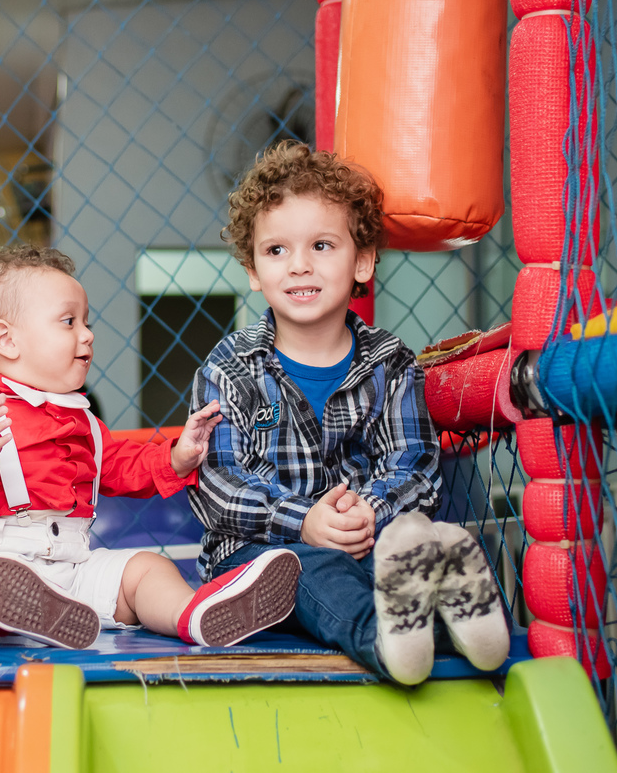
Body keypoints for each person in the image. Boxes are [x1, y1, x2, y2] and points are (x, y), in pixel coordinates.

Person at [187, 140, 510, 685]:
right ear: (251, 270)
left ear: (361, 261)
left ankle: (455, 611)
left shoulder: (390, 363)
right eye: (276, 251)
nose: (300, 266)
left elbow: (413, 466)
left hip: (364, 539)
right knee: (313, 569)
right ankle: (386, 641)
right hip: (257, 556)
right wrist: (304, 521)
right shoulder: (229, 369)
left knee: (402, 547)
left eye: (321, 245)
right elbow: (219, 485)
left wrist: (368, 514)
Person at [0, 245, 300, 650]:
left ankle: (194, 615)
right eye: (68, 321)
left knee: (146, 568)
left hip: (72, 570)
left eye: (86, 321)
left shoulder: (86, 424)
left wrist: (176, 457)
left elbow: (124, 466)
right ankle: (21, 610)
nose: (88, 333)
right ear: (6, 339)